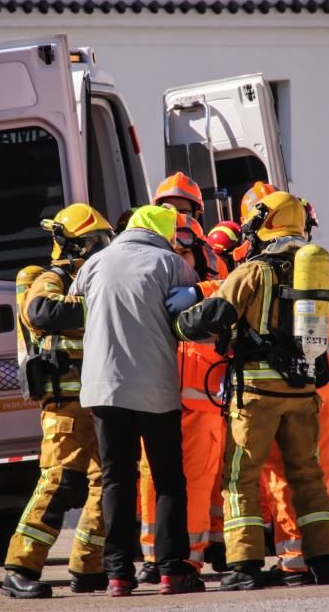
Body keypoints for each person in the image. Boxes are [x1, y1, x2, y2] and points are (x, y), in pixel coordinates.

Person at [174, 191, 329, 591]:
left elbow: (213, 317)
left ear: (265, 223)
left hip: (257, 396)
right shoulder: (314, 273)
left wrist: (178, 322)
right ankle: (320, 560)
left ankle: (244, 566)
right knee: (307, 476)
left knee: (240, 478)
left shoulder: (254, 271)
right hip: (301, 393)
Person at [72, 204, 203, 596]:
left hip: (103, 388)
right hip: (156, 391)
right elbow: (196, 319)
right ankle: (171, 571)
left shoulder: (95, 262)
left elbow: (75, 304)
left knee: (117, 480)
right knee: (167, 480)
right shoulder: (172, 265)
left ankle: (117, 574)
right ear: (164, 234)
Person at [1, 204, 114, 599]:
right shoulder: (54, 278)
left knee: (106, 484)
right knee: (59, 483)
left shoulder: (92, 279)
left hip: (99, 398)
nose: (100, 250)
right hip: (66, 402)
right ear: (68, 245)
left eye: (104, 242)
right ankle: (20, 567)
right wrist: (99, 304)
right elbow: (41, 312)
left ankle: (88, 567)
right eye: (93, 243)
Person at [260, 198, 329, 584]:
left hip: (279, 386)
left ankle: (293, 558)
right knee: (317, 469)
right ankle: (321, 554)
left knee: (279, 467)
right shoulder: (328, 269)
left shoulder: (254, 269)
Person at [138, 212, 228, 584]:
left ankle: (189, 560)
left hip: (202, 406)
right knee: (149, 479)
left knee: (196, 482)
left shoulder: (214, 287)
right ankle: (152, 557)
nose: (176, 259)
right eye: (170, 251)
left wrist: (199, 292)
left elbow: (236, 287)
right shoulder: (148, 286)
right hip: (156, 401)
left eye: (184, 253)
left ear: (200, 255)